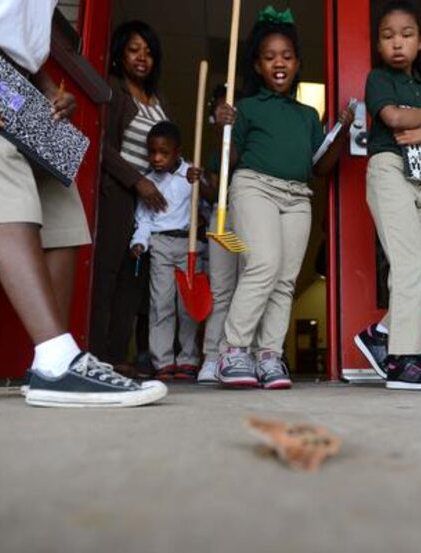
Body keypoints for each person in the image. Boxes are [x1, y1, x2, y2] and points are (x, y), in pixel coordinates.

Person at [0, 0, 166, 407]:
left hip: (17, 80)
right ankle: (58, 359)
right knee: (10, 200)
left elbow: (16, 32)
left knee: (63, 214)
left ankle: (51, 364)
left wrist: (44, 86)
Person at [214, 6, 353, 389]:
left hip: (297, 197)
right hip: (253, 186)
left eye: (287, 57)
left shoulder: (308, 114)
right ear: (257, 66)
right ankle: (233, 350)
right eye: (270, 57)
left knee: (285, 280)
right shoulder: (245, 107)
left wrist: (341, 130)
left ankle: (269, 356)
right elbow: (229, 161)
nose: (279, 63)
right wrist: (222, 124)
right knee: (263, 265)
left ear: (297, 64)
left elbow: (320, 167)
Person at [352, 0, 421, 391]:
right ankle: (403, 360)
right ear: (379, 45)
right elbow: (393, 118)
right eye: (387, 36)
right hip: (390, 169)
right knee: (410, 262)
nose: (397, 43)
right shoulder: (379, 80)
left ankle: (383, 336)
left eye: (406, 35)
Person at [90, 21, 171, 374]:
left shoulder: (160, 100)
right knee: (106, 275)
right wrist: (137, 181)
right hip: (119, 196)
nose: (142, 57)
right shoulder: (113, 90)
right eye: (134, 49)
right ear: (120, 54)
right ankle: (94, 355)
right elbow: (101, 145)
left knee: (132, 283)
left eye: (149, 51)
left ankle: (116, 356)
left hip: (150, 208)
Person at [130, 122, 204, 380]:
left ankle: (188, 359)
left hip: (190, 243)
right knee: (161, 303)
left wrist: (199, 182)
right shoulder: (148, 183)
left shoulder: (191, 173)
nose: (157, 158)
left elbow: (205, 207)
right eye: (152, 152)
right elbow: (145, 220)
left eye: (163, 152)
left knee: (188, 306)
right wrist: (139, 242)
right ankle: (162, 361)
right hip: (160, 244)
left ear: (177, 152)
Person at [197, 85, 241, 384]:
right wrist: (199, 181)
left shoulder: (251, 138)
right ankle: (212, 357)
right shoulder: (216, 152)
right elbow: (214, 194)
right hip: (223, 220)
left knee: (251, 287)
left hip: (251, 214)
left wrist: (235, 130)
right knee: (222, 289)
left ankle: (242, 353)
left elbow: (239, 156)